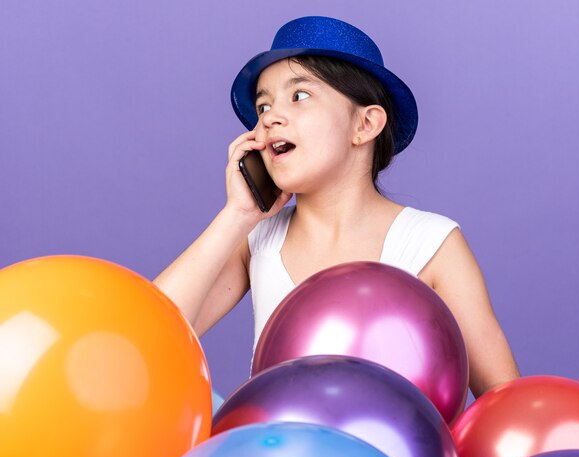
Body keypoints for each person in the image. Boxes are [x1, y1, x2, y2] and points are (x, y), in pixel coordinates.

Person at [153, 16, 519, 398]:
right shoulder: (256, 239)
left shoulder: (432, 243)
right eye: (263, 106)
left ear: (364, 124)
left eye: (299, 96)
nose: (271, 117)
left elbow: (504, 404)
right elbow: (150, 331)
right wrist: (237, 215)